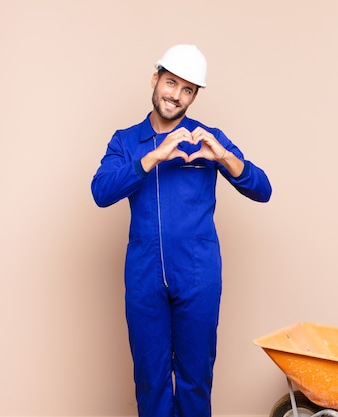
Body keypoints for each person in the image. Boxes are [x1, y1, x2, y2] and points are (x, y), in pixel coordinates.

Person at [91, 44, 272, 417]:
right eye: (171, 83)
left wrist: (222, 156)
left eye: (187, 89)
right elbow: (101, 192)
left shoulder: (208, 138)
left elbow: (262, 189)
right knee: (150, 381)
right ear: (155, 78)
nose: (176, 95)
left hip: (198, 276)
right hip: (144, 278)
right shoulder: (126, 141)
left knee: (195, 380)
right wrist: (153, 156)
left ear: (194, 95)